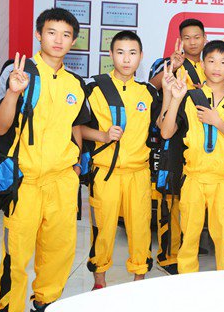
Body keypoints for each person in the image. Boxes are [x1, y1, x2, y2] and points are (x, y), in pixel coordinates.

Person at [0, 8, 90, 312]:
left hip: (62, 181)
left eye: (66, 35)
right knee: (17, 253)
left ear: (73, 41)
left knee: (59, 251)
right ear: (38, 35)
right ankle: (10, 306)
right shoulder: (19, 72)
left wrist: (76, 165)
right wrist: (13, 93)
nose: (58, 40)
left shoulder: (76, 83)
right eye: (51, 32)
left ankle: (46, 302)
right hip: (25, 182)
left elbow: (76, 126)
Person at [159, 40, 224, 273]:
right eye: (211, 61)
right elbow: (166, 132)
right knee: (189, 236)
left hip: (223, 180)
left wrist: (218, 122)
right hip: (194, 179)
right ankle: (187, 282)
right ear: (202, 65)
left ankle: (223, 283)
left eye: (223, 62)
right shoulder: (190, 96)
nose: (217, 67)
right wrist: (174, 98)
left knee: (223, 238)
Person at [81, 31, 162, 289]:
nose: (126, 59)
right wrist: (102, 136)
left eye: (132, 53)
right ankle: (99, 281)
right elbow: (77, 128)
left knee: (140, 229)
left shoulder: (148, 93)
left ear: (141, 56)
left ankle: (139, 281)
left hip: (139, 173)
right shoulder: (94, 88)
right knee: (103, 229)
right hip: (105, 173)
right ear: (110, 54)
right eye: (120, 52)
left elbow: (161, 129)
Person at [148, 18, 209, 275]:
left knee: (193, 199)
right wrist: (172, 66)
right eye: (187, 37)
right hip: (173, 137)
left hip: (200, 141)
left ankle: (188, 246)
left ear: (205, 38)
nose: (192, 42)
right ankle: (168, 255)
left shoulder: (211, 64)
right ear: (180, 40)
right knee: (171, 197)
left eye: (197, 37)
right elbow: (151, 86)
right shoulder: (168, 63)